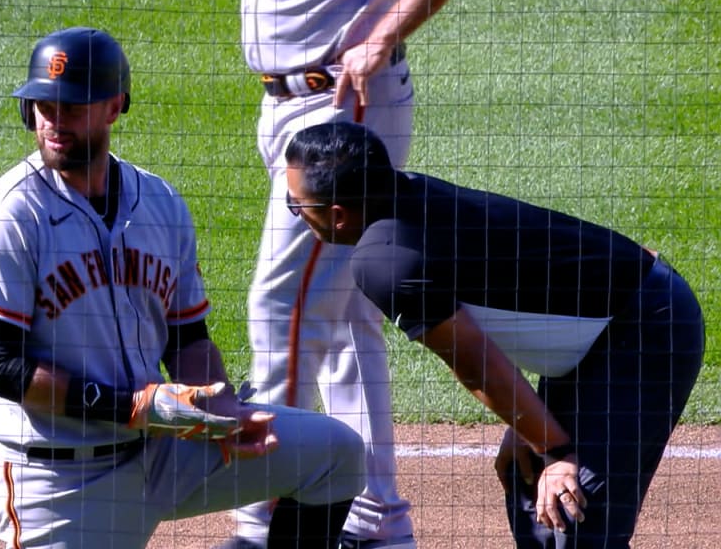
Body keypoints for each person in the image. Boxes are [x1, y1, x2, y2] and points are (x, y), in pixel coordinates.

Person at [0, 26, 366, 549]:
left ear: (115, 106)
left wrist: (222, 413)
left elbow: (187, 337)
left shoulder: (159, 203)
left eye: (71, 105)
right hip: (60, 481)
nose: (53, 120)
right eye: (42, 105)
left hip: (162, 453)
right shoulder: (8, 215)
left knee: (334, 454)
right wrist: (131, 404)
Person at [284, 121, 705, 548]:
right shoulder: (401, 200)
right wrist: (530, 429)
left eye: (296, 204)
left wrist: (555, 449)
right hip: (594, 333)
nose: (296, 212)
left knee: (571, 518)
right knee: (530, 494)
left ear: (336, 215)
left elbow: (476, 366)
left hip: (647, 325)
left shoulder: (384, 264)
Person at [233, 0, 467, 548]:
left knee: (281, 306)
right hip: (293, 106)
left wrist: (384, 33)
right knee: (341, 317)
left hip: (340, 103)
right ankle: (376, 519)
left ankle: (261, 518)